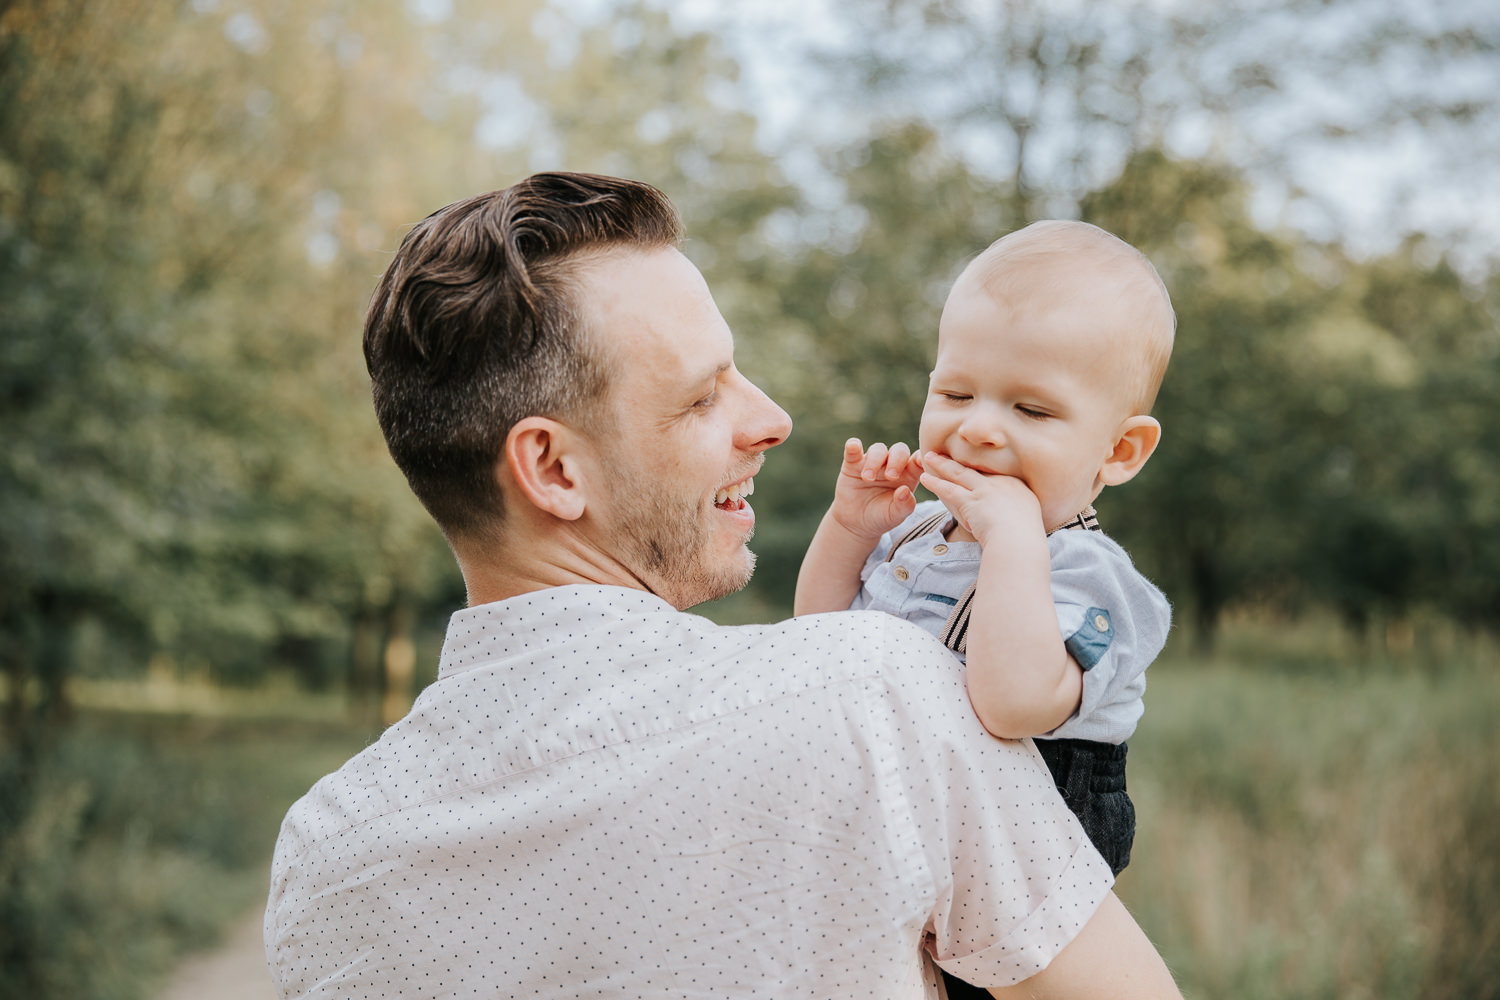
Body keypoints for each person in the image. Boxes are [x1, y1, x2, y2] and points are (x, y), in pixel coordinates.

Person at [264, 173, 1182, 999]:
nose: (774, 420)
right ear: (550, 469)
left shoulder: (323, 857)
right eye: (704, 396)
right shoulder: (876, 696)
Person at [795, 220, 1174, 877]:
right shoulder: (915, 531)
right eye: (955, 394)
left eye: (1031, 411)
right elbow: (817, 636)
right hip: (899, 815)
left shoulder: (1087, 574)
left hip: (1028, 843)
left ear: (1118, 451)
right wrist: (851, 526)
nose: (976, 427)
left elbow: (1013, 704)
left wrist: (1011, 540)